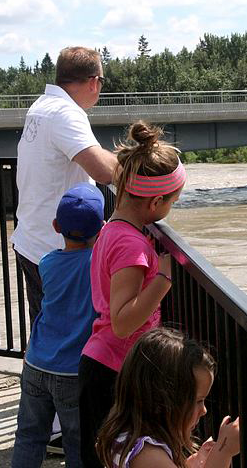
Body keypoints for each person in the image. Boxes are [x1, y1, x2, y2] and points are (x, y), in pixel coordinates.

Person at [78, 121, 186, 468]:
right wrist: (164, 278)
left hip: (106, 365)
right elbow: (123, 322)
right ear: (155, 201)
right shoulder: (130, 245)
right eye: (172, 201)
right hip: (113, 372)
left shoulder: (114, 229)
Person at [11, 46, 118, 328]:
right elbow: (105, 171)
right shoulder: (66, 113)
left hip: (31, 240)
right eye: (102, 82)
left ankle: (36, 372)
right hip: (57, 249)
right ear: (94, 81)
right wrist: (132, 163)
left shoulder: (42, 106)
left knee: (44, 331)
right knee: (71, 338)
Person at [11, 183, 105, 468]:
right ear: (102, 227)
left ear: (55, 225)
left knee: (29, 436)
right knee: (77, 443)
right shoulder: (98, 264)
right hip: (71, 372)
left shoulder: (47, 263)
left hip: (36, 363)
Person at [95, 327, 240, 468]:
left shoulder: (127, 435)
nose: (204, 410)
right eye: (198, 401)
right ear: (162, 401)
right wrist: (224, 451)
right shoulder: (149, 456)